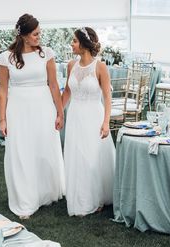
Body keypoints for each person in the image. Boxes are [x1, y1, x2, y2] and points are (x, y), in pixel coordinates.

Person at [0, 13, 65, 219]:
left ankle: (46, 192)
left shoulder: (47, 53)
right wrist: (2, 119)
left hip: (43, 107)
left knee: (43, 148)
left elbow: (54, 85)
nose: (39, 37)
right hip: (18, 109)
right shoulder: (5, 57)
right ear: (24, 35)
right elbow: (3, 91)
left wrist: (60, 111)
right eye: (35, 34)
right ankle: (25, 199)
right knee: (21, 151)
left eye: (39, 33)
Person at [61, 27, 115, 217]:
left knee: (92, 158)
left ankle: (97, 197)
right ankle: (80, 194)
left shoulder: (100, 67)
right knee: (78, 156)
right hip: (75, 115)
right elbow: (67, 92)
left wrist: (106, 122)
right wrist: (59, 112)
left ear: (83, 44)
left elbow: (107, 97)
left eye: (74, 41)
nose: (72, 44)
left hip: (94, 116)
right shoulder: (70, 65)